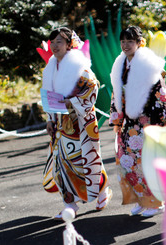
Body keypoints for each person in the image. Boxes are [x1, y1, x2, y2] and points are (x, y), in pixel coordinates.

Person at [41, 27, 112, 220]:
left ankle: (102, 190)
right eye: (52, 42)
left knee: (84, 161)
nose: (55, 46)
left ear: (69, 44)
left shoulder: (80, 66)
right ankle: (70, 204)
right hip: (59, 123)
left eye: (59, 42)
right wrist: (49, 118)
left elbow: (92, 89)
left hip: (80, 122)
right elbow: (48, 94)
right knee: (60, 164)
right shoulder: (50, 67)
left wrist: (70, 102)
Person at [109, 26, 166, 216]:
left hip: (147, 121)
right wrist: (117, 118)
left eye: (130, 41)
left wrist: (156, 121)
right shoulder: (120, 64)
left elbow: (160, 94)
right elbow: (116, 94)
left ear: (139, 43)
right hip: (128, 123)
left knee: (148, 162)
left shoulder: (149, 65)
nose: (126, 45)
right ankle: (140, 199)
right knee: (127, 161)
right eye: (123, 41)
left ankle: (156, 202)